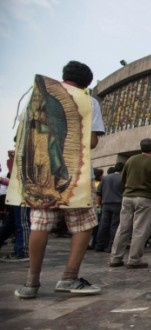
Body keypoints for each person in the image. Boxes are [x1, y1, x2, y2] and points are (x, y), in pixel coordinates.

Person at [9, 61, 105, 298]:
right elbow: (91, 142)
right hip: (75, 177)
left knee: (39, 224)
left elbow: (19, 136)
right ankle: (69, 278)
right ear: (87, 83)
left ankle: (31, 283)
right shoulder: (89, 101)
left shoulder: (36, 97)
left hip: (39, 173)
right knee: (83, 225)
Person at [109, 138, 151, 269]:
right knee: (140, 229)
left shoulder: (131, 160)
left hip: (128, 197)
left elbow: (123, 179)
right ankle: (134, 259)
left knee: (123, 228)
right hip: (145, 198)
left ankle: (115, 258)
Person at [94, 162, 124, 252]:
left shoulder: (105, 178)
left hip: (106, 204)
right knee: (114, 226)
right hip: (118, 204)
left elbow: (99, 192)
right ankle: (111, 246)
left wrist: (98, 204)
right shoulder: (123, 178)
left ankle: (99, 245)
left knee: (103, 225)